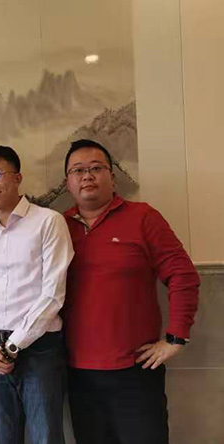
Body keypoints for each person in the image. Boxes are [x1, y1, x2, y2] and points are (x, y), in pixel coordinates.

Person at [62, 139, 200, 444]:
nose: (87, 176)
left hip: (136, 370)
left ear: (112, 177)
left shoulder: (143, 217)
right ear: (68, 182)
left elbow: (182, 275)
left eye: (96, 168)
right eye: (78, 170)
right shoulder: (57, 227)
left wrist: (176, 337)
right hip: (78, 373)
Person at [0, 146, 73, 444]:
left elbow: (53, 295)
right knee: (1, 437)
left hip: (39, 349)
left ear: (18, 177)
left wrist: (14, 345)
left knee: (45, 437)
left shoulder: (48, 221)